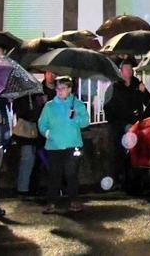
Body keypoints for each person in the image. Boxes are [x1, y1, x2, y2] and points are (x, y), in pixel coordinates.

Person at [37, 76, 89, 214]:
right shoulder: (49, 106)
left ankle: (73, 200)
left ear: (70, 89)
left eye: (63, 88)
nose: (59, 91)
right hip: (54, 146)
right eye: (58, 88)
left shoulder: (77, 105)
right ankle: (51, 202)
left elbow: (85, 122)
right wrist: (47, 133)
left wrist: (76, 117)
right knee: (54, 174)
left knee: (72, 174)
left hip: (73, 144)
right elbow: (42, 124)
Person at [103, 61, 150, 189]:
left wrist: (143, 92)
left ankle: (135, 180)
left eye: (130, 68)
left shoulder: (137, 84)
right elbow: (107, 108)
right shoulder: (115, 87)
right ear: (120, 71)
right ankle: (118, 179)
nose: (129, 71)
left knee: (136, 152)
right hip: (119, 126)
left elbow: (148, 101)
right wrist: (117, 122)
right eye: (126, 69)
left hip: (136, 125)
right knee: (118, 153)